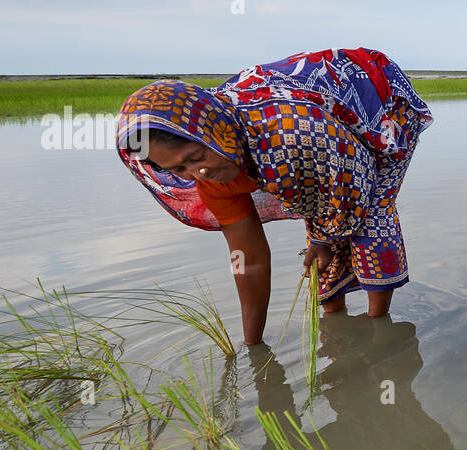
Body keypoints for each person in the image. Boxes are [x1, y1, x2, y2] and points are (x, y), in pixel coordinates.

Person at [114, 48, 432, 345]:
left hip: (379, 99)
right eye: (177, 168)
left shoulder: (296, 133)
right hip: (311, 143)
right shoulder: (209, 174)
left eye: (196, 157)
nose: (198, 174)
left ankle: (380, 331)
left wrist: (323, 240)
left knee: (371, 216)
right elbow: (248, 260)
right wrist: (252, 346)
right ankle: (336, 317)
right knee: (321, 226)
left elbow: (354, 185)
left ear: (212, 131)